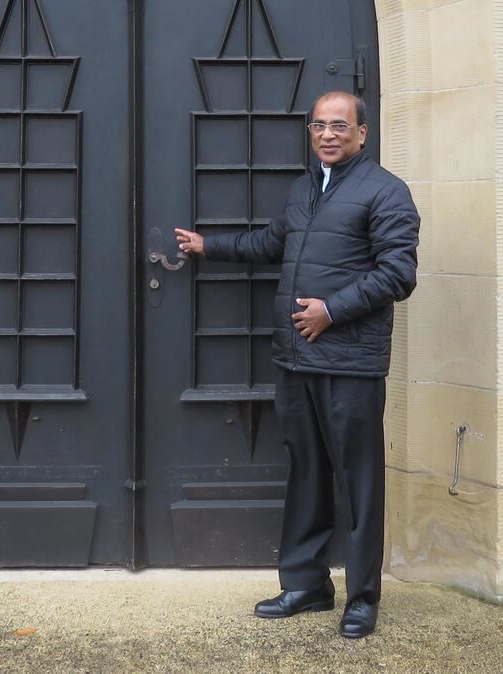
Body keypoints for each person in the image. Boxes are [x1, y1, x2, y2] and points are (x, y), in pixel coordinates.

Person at [174, 90, 420, 639]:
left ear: (362, 133)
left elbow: (398, 274)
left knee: (358, 481)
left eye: (339, 126)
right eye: (319, 126)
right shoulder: (303, 189)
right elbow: (270, 243)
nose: (328, 134)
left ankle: (363, 597)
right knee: (307, 471)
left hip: (351, 365)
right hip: (296, 359)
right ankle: (307, 585)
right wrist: (210, 245)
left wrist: (331, 311)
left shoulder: (387, 192)